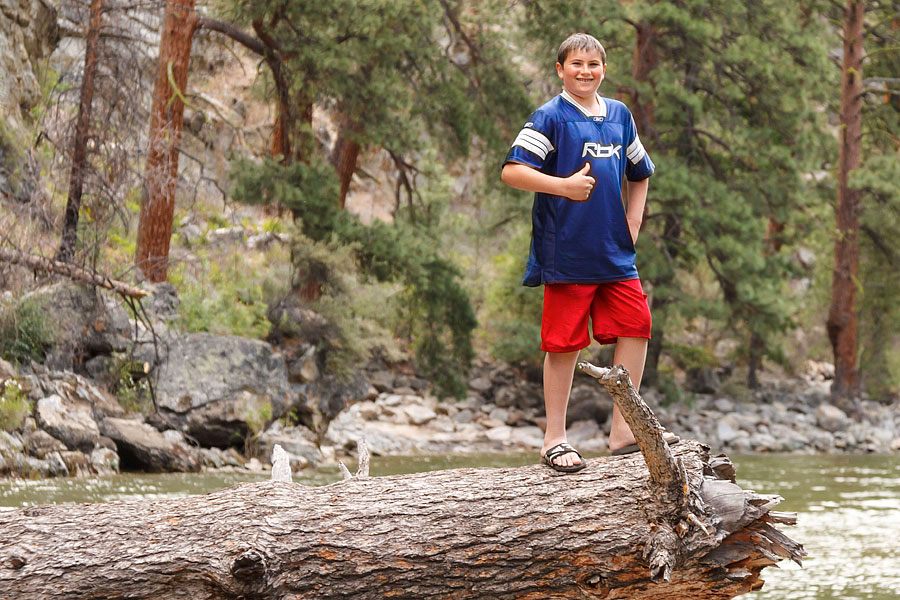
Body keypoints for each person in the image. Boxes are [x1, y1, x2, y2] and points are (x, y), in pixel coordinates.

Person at [500, 33, 677, 472]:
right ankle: (554, 440)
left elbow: (641, 172)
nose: (585, 71)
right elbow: (512, 171)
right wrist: (562, 187)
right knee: (564, 344)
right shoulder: (550, 117)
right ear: (560, 69)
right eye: (576, 64)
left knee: (637, 325)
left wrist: (634, 221)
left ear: (604, 69)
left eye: (593, 64)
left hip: (614, 252)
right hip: (566, 251)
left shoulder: (619, 115)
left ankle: (624, 432)